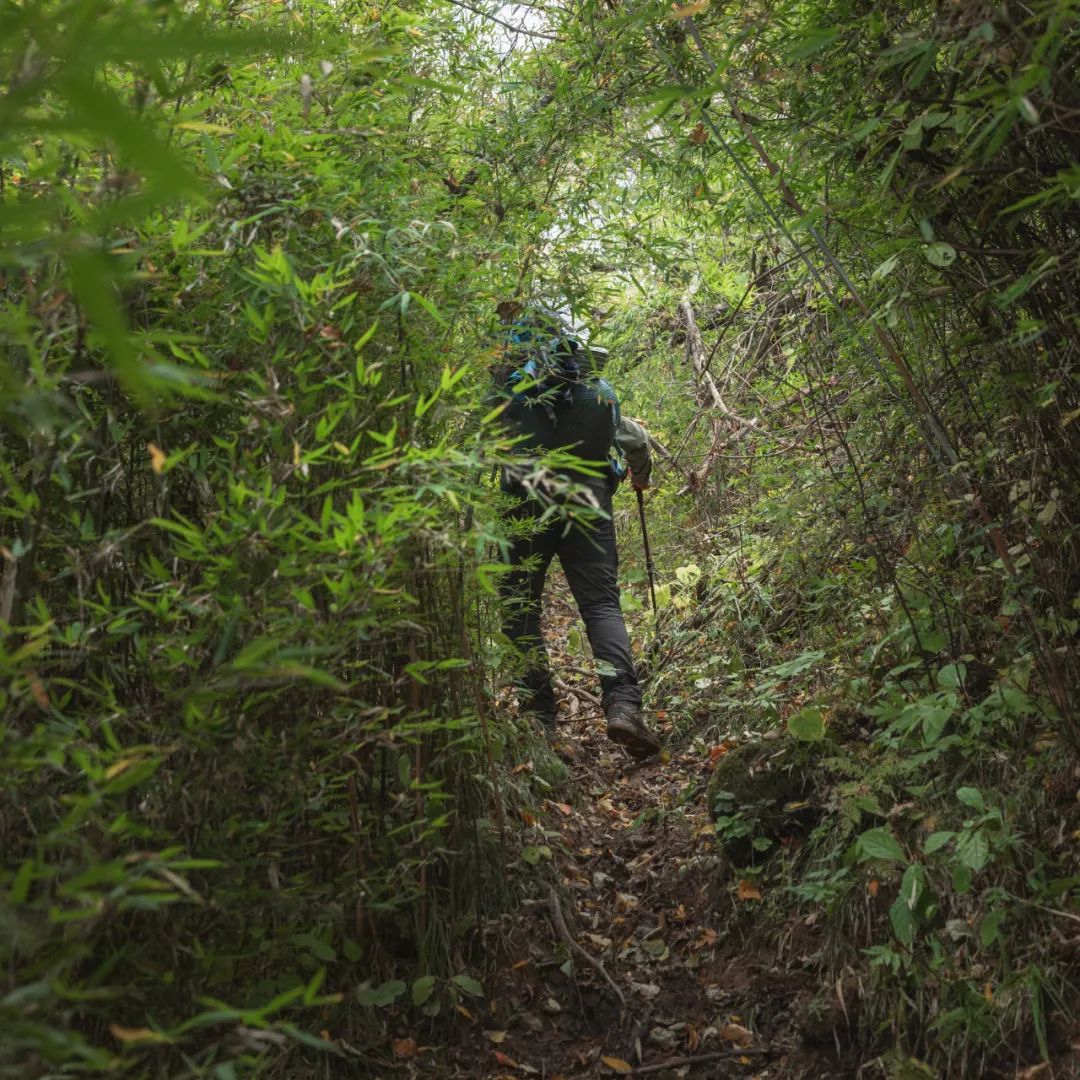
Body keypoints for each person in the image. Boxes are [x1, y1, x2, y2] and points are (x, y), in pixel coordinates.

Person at [493, 302, 661, 760]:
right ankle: (624, 707)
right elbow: (636, 442)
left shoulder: (511, 384)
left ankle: (539, 718)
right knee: (602, 603)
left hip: (526, 496)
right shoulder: (591, 387)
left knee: (519, 604)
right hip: (589, 497)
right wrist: (642, 476)